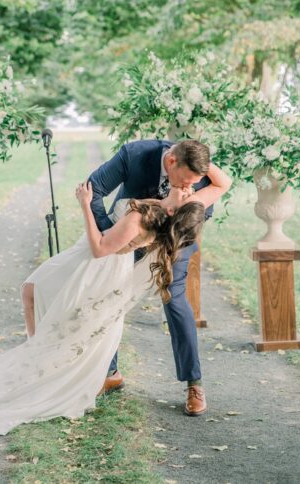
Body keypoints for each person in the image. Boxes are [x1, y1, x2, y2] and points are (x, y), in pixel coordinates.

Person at [0, 166, 227, 435]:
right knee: (37, 294)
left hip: (93, 260)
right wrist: (197, 167)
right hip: (95, 258)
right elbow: (221, 185)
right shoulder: (167, 209)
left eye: (189, 192)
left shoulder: (146, 221)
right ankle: (39, 355)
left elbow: (101, 248)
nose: (190, 189)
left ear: (175, 212)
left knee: (45, 300)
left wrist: (84, 205)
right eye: (189, 187)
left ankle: (37, 359)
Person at [89, 139, 232, 416]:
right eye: (187, 180)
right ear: (170, 162)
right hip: (129, 233)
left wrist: (172, 227)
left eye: (196, 181)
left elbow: (203, 208)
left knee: (175, 299)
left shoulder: (200, 174)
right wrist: (111, 234)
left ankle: (194, 383)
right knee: (111, 296)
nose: (189, 186)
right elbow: (92, 190)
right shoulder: (134, 155)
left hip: (176, 237)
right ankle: (110, 372)